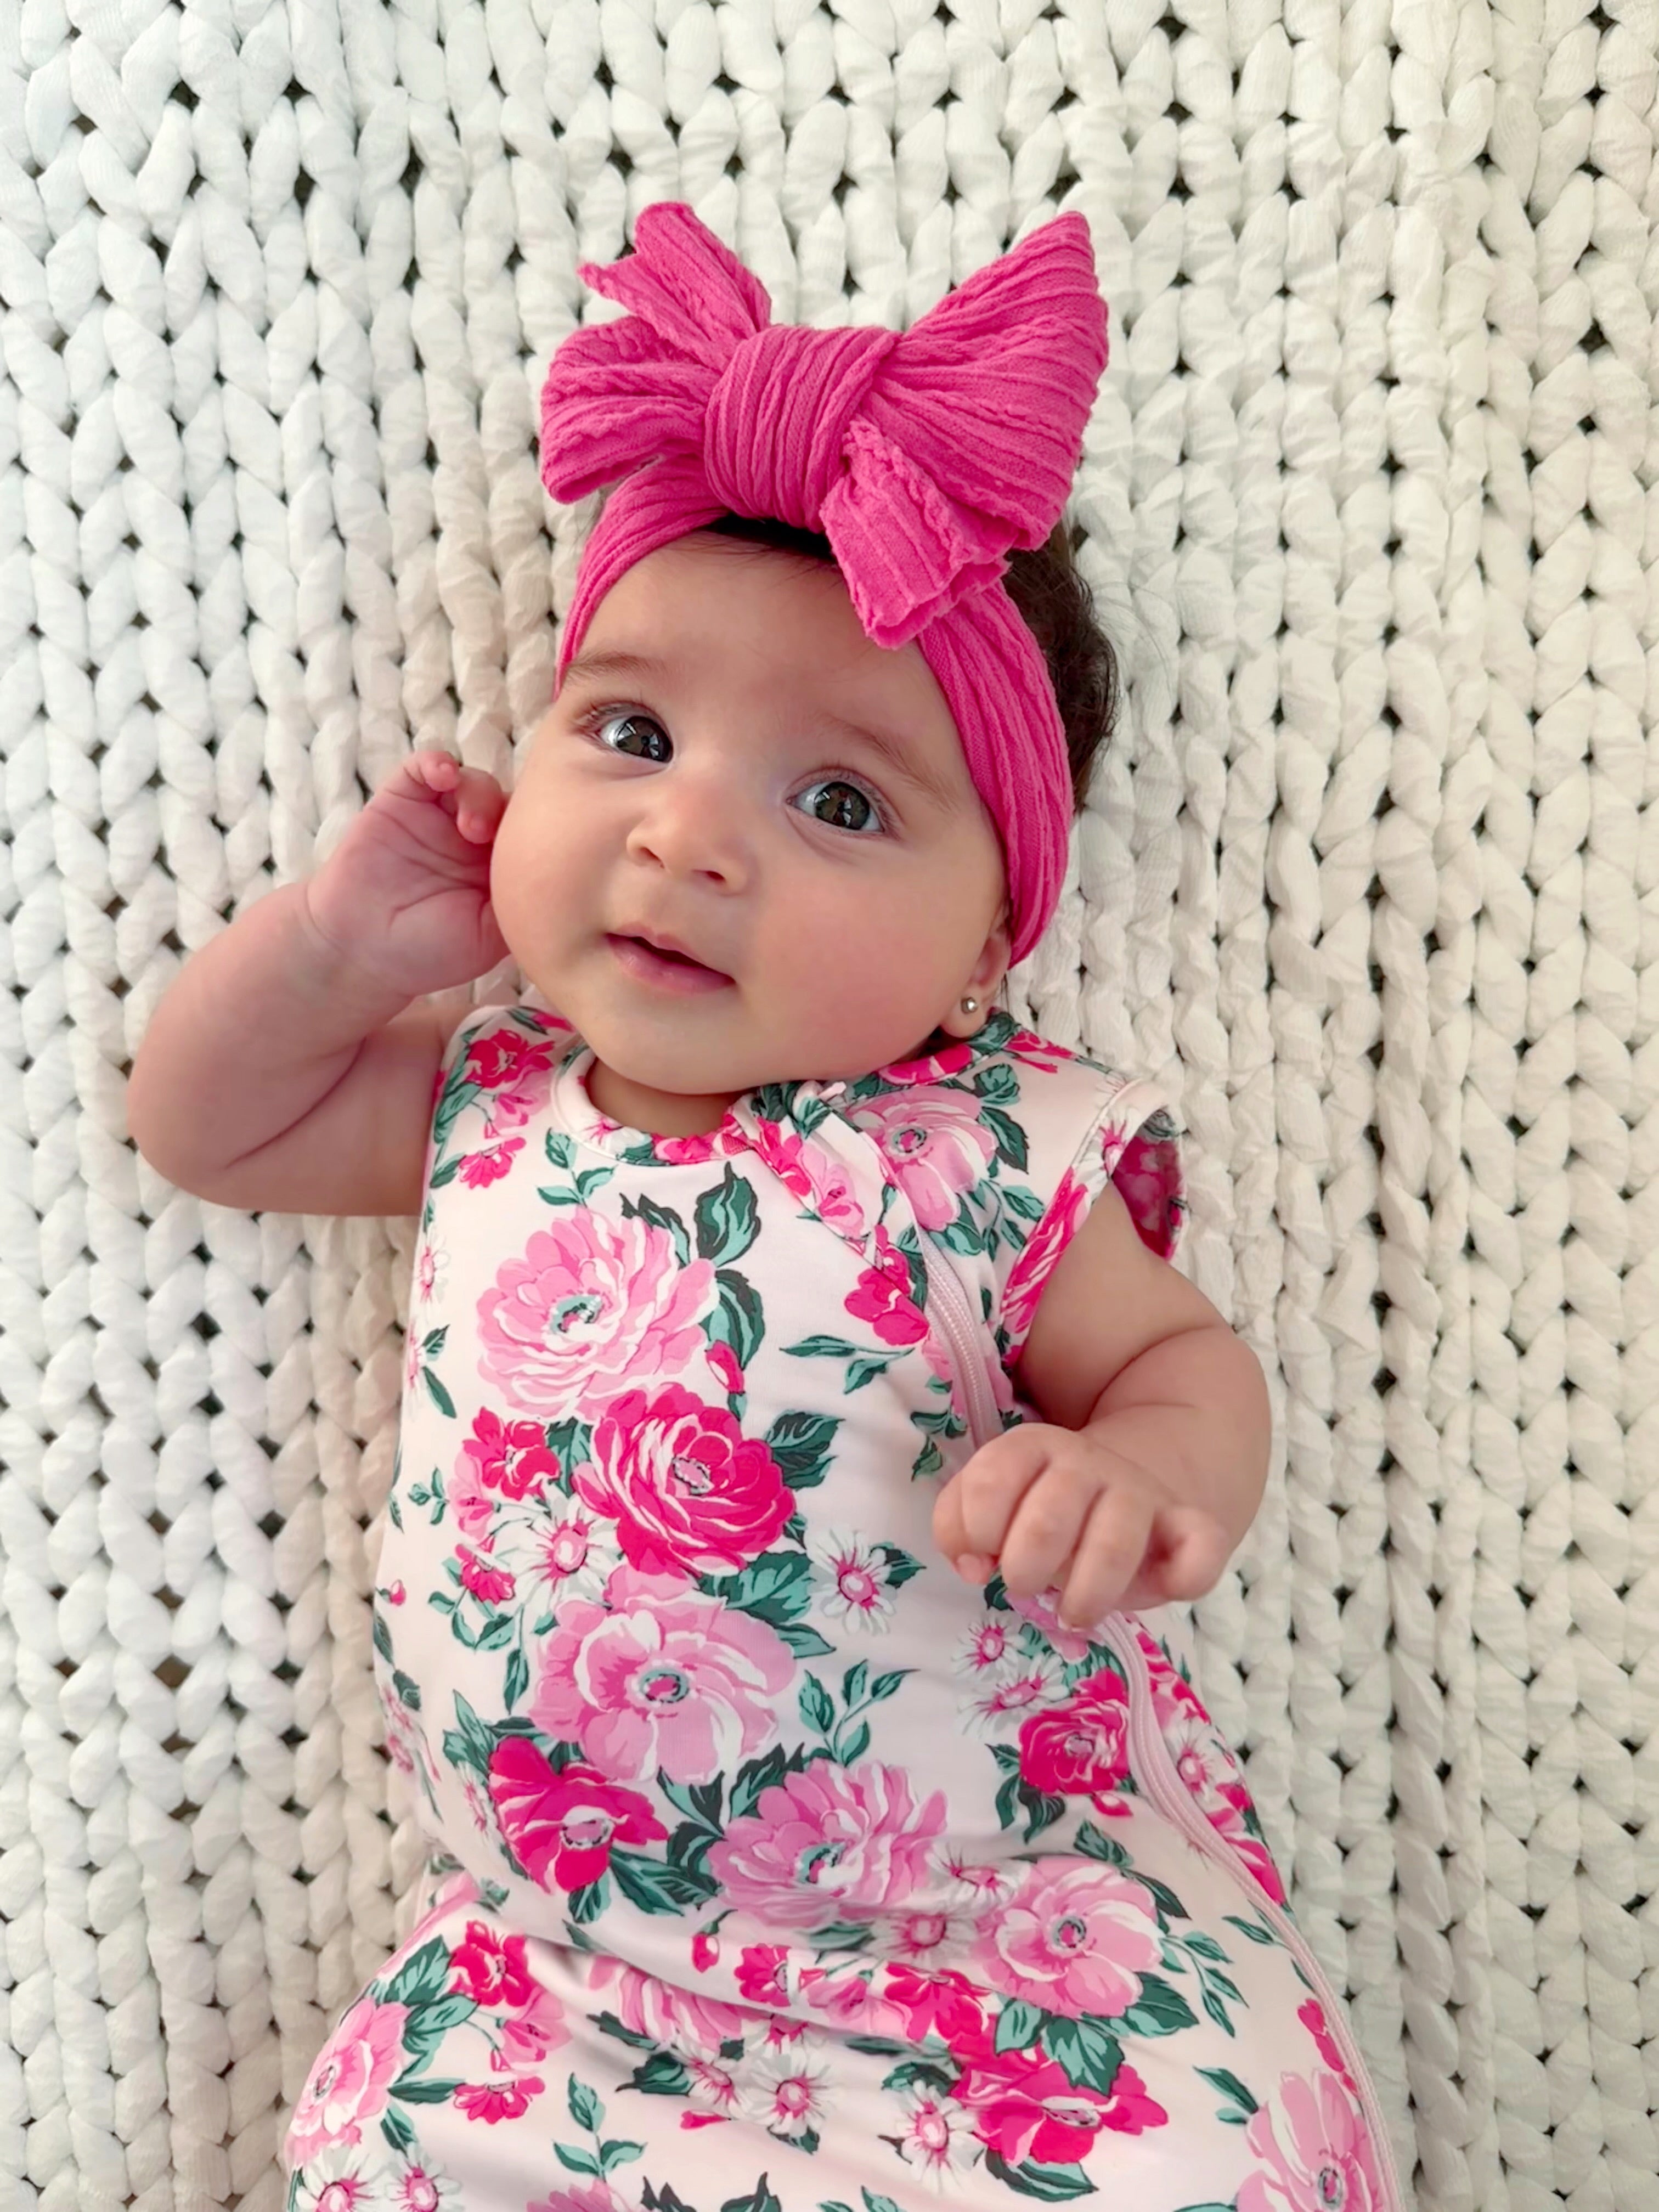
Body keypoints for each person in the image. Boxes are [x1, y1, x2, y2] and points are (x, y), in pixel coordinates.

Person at [129, 202, 1402, 2212]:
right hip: (576, 1971)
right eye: (630, 735)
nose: (685, 834)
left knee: (1191, 2155)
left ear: (991, 940)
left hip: (997, 1956)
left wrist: (1149, 1472)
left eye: (837, 804)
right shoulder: (489, 1107)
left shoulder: (983, 1150)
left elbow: (1178, 1353)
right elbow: (210, 1125)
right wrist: (327, 949)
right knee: (395, 2152)